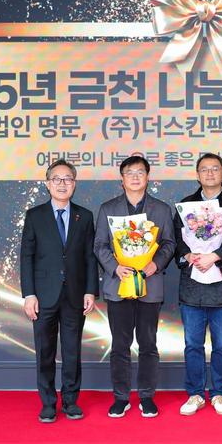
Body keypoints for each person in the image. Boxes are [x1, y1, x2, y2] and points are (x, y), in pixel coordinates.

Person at [94, 155, 175, 419]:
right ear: (122, 179)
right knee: (120, 344)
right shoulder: (107, 209)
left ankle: (147, 396)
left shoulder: (161, 209)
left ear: (148, 177)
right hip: (119, 285)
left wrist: (156, 264)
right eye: (130, 172)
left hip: (149, 285)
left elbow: (170, 244)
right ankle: (121, 397)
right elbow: (99, 245)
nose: (135, 177)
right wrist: (115, 267)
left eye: (140, 172)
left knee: (148, 343)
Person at [20, 159, 99, 423]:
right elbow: (27, 257)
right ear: (47, 184)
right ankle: (47, 403)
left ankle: (70, 401)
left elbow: (89, 257)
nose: (62, 184)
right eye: (57, 179)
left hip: (75, 294)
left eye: (67, 179)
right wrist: (29, 294)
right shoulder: (35, 215)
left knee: (72, 351)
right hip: (43, 295)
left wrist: (90, 290)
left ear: (74, 184)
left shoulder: (84, 216)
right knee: (45, 351)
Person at [174, 153, 222, 416]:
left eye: (215, 169)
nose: (209, 173)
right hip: (193, 285)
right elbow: (177, 240)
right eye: (204, 169)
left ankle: (219, 393)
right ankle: (195, 393)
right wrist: (188, 255)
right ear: (197, 175)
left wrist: (215, 256)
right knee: (192, 345)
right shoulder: (186, 205)